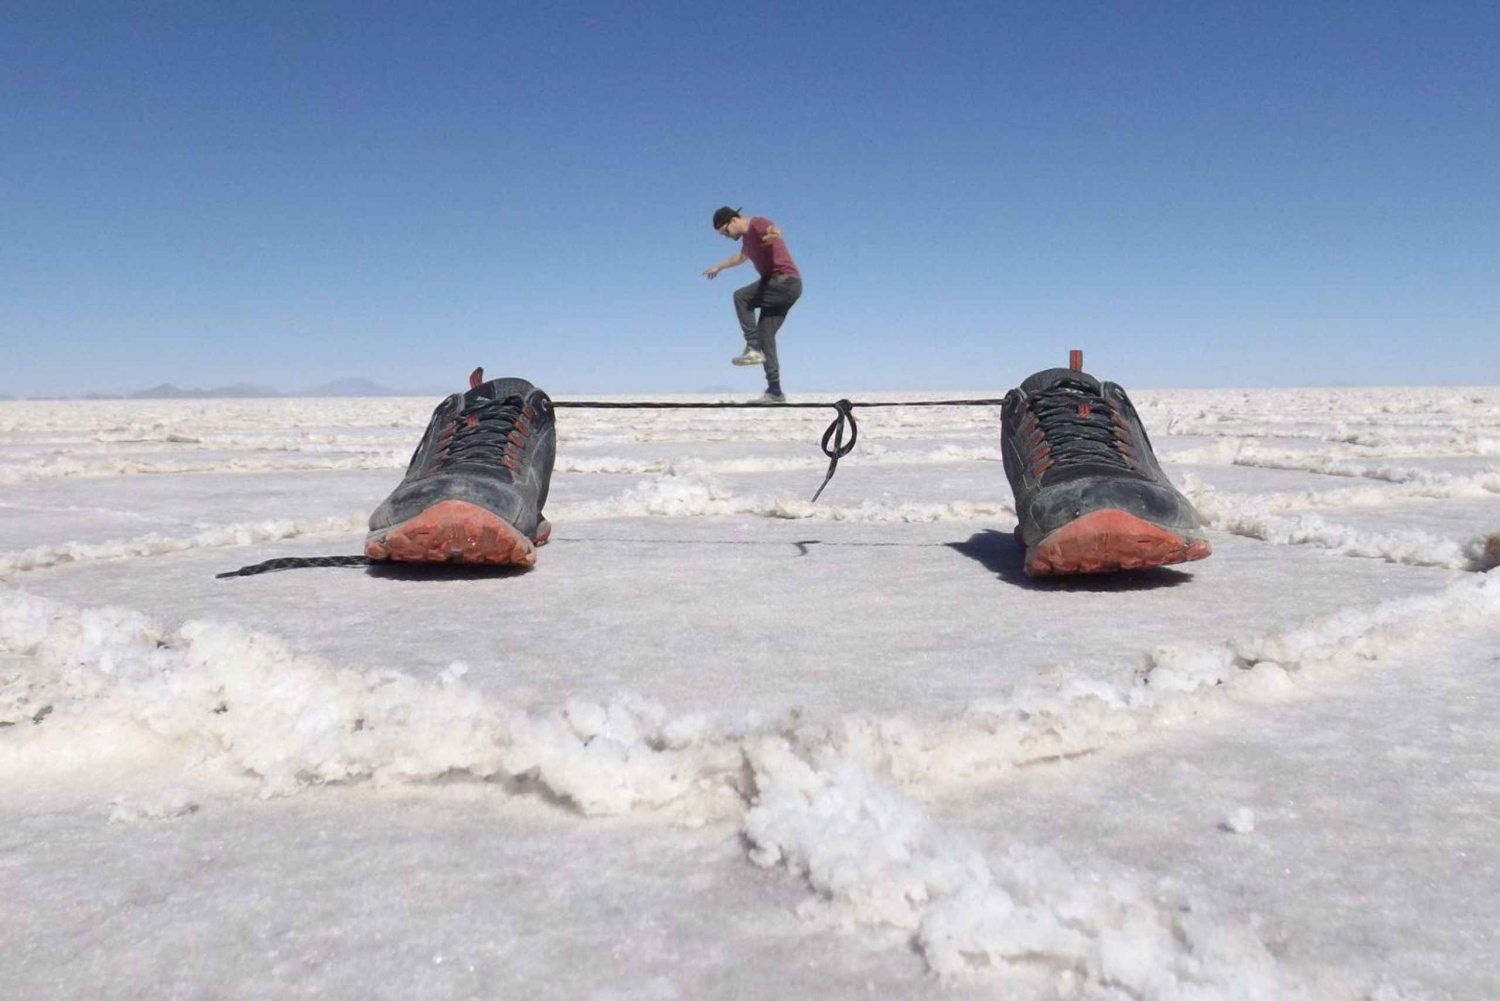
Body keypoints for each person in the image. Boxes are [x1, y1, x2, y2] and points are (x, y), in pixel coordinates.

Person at [702, 206, 802, 404]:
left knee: (741, 297)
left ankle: (752, 346)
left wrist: (774, 236)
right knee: (766, 335)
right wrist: (718, 267)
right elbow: (738, 258)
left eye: (725, 231)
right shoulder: (748, 241)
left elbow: (773, 230)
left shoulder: (757, 224)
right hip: (784, 287)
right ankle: (775, 391)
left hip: (784, 281)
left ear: (733, 220)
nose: (726, 236)